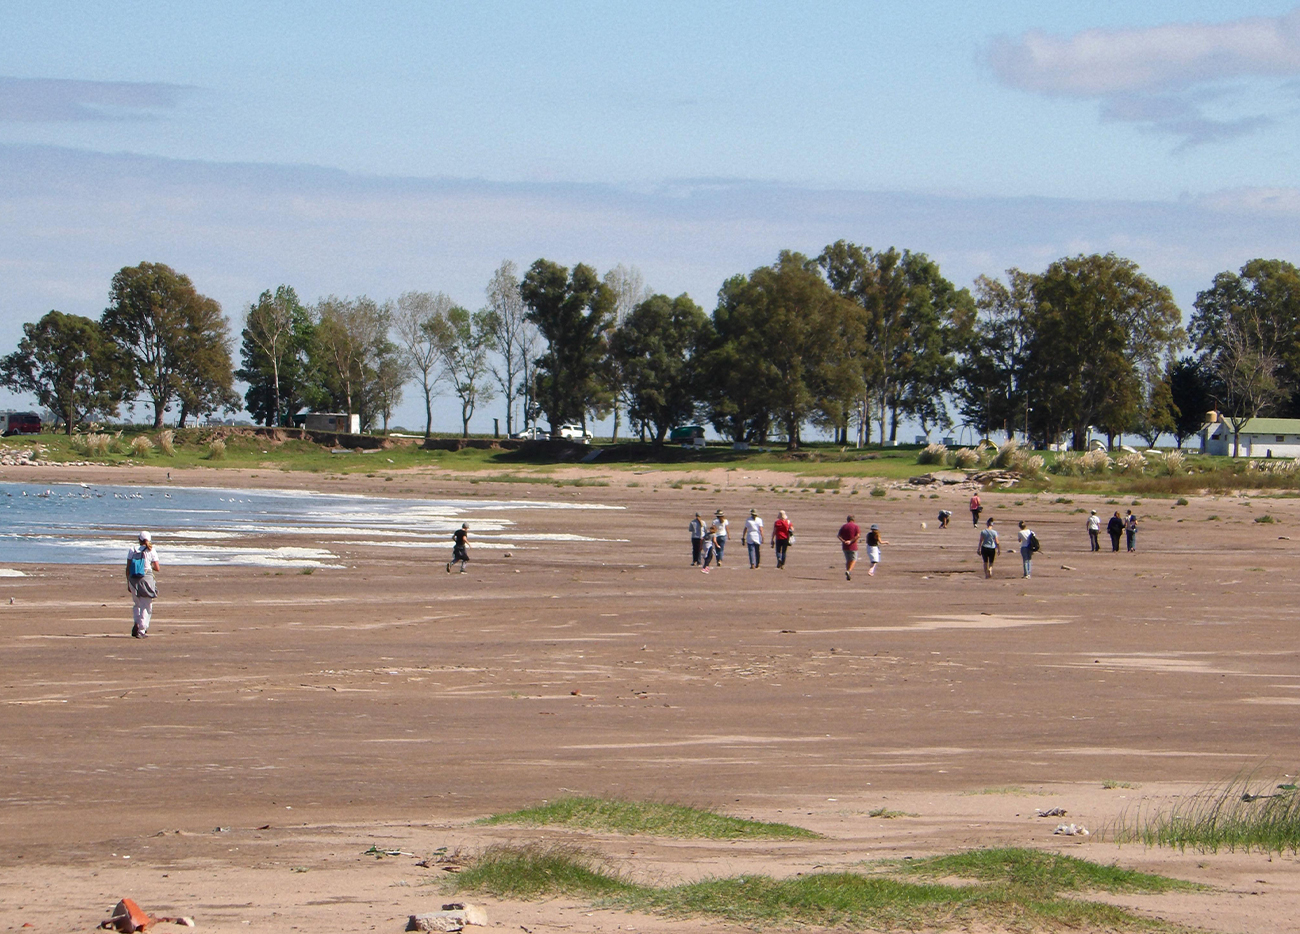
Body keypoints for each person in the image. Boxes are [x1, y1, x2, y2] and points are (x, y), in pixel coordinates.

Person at [125, 530, 160, 638]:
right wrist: (149, 565)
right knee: (147, 605)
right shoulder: (151, 550)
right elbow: (157, 568)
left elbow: (128, 568)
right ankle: (142, 629)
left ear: (139, 539)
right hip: (146, 579)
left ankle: (137, 622)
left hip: (133, 579)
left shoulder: (132, 549)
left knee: (137, 604)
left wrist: (128, 582)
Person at [838, 514, 861, 581]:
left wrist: (844, 541)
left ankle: (848, 572)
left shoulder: (844, 526)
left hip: (845, 546)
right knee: (854, 559)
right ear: (853, 520)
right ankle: (849, 571)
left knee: (848, 560)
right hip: (853, 546)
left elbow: (839, 535)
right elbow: (858, 535)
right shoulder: (855, 526)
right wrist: (850, 541)